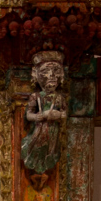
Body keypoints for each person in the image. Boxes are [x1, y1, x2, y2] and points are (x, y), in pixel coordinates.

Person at [21, 50, 67, 180]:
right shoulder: (35, 96)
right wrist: (36, 117)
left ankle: (45, 165)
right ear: (36, 74)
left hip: (53, 129)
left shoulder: (59, 98)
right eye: (46, 71)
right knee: (34, 146)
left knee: (51, 149)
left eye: (56, 71)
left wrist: (56, 115)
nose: (52, 75)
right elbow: (29, 114)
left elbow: (65, 114)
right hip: (40, 128)